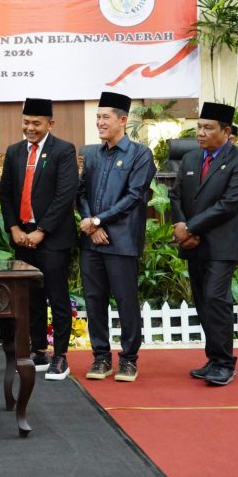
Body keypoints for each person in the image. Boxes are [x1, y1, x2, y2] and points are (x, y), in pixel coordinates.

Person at [170, 103, 238, 386]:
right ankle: (214, 358)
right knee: (202, 301)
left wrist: (191, 227)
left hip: (221, 243)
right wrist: (182, 226)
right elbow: (176, 196)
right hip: (193, 244)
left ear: (226, 131)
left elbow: (230, 204)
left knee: (215, 299)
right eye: (199, 127)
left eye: (208, 128)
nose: (200, 133)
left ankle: (225, 363)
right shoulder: (191, 158)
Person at [76, 91, 156, 383]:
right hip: (92, 242)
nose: (100, 122)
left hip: (122, 242)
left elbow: (134, 196)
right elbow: (80, 192)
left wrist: (99, 221)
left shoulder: (140, 154)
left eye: (105, 117)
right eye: (97, 117)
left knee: (126, 301)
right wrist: (92, 225)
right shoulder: (91, 154)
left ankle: (129, 359)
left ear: (122, 120)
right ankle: (100, 357)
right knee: (94, 300)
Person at [0, 98, 78, 380]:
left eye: (36, 123)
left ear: (50, 124)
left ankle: (61, 356)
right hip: (23, 236)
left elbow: (65, 195)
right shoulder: (14, 151)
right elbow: (6, 193)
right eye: (26, 122)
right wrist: (14, 228)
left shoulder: (63, 150)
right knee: (32, 297)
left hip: (52, 238)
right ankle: (39, 350)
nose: (29, 128)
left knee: (57, 297)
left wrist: (42, 230)